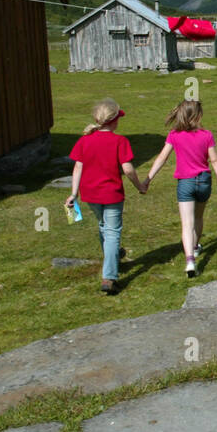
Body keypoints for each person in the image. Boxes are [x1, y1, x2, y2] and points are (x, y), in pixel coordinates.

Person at [66, 98, 144, 294]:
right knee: (112, 232)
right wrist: (140, 186)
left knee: (104, 226)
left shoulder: (84, 141)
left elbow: (77, 167)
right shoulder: (120, 141)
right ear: (114, 120)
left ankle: (113, 256)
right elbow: (128, 169)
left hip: (90, 195)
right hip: (112, 195)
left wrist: (73, 194)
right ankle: (109, 277)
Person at [143, 100, 217, 277]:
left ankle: (190, 260)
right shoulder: (207, 135)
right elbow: (215, 160)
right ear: (197, 116)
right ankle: (196, 247)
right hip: (204, 181)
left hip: (185, 183)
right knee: (198, 217)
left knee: (187, 223)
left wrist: (147, 179)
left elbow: (162, 158)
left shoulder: (174, 135)